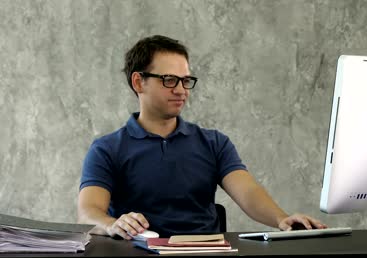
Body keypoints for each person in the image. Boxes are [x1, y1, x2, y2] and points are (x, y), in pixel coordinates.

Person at [78, 35, 327, 239]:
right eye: (169, 80)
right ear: (138, 82)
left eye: (186, 81)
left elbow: (248, 192)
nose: (181, 90)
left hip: (206, 251)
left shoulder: (214, 142)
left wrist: (281, 218)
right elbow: (89, 212)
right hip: (137, 252)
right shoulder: (107, 148)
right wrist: (111, 224)